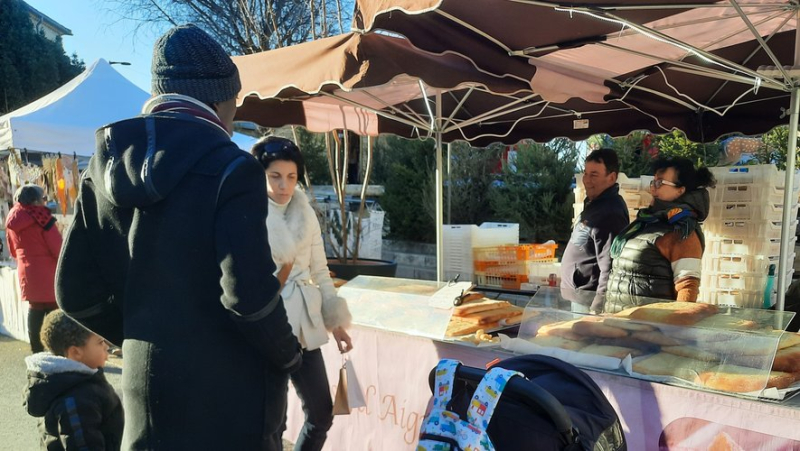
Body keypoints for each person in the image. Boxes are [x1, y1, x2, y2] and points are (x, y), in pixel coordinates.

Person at [55, 24, 301, 450]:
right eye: (235, 102)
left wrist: (141, 332)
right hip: (229, 396)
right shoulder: (232, 167)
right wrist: (290, 354)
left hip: (143, 388)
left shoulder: (103, 165)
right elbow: (251, 297)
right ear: (220, 99)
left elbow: (72, 291)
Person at [251, 136, 353, 451]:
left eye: (292, 177)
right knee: (272, 422)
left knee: (322, 411)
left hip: (306, 324)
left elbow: (320, 271)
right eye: (275, 176)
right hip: (270, 325)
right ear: (261, 175)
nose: (284, 185)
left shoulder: (305, 213)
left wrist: (335, 323)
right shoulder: (248, 213)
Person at [606, 157, 716, 302]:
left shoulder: (682, 231)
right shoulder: (646, 222)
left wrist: (673, 324)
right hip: (621, 320)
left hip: (651, 323)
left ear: (680, 190)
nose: (652, 188)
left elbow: (687, 288)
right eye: (653, 182)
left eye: (659, 183)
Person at [23, 310, 124, 451]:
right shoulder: (76, 399)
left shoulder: (76, 380)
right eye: (100, 342)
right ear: (76, 352)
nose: (106, 346)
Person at [560, 149, 629, 298]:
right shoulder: (595, 205)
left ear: (611, 178)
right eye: (585, 173)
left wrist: (598, 306)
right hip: (577, 295)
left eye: (594, 175)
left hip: (587, 300)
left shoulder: (611, 212)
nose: (587, 180)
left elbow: (610, 265)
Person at [6, 185, 62, 353]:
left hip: (27, 270)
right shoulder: (42, 217)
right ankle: (58, 351)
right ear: (36, 200)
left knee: (35, 308)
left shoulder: (12, 218)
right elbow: (58, 248)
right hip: (49, 271)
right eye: (43, 198)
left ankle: (36, 351)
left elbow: (12, 250)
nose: (44, 202)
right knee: (55, 312)